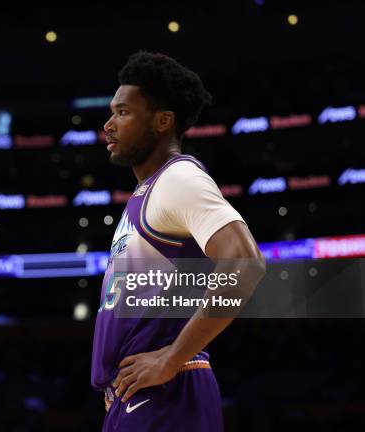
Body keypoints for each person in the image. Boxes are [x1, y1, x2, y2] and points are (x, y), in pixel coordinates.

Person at [91, 51, 266, 431]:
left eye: (122, 113)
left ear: (163, 121)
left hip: (169, 390)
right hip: (140, 394)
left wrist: (170, 357)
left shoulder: (178, 178)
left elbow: (244, 262)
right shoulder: (147, 192)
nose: (108, 124)